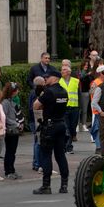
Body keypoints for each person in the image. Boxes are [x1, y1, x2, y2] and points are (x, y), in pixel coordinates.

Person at [32, 67, 69, 195]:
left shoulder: (48, 92)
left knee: (46, 155)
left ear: (55, 78)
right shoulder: (64, 91)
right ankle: (64, 185)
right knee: (60, 155)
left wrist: (43, 102)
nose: (46, 78)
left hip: (50, 126)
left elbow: (36, 105)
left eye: (48, 77)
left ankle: (46, 186)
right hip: (61, 124)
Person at [1, 82, 22, 180]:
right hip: (10, 130)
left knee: (12, 151)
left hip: (14, 130)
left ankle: (12, 169)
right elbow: (4, 116)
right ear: (12, 91)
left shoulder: (11, 101)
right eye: (16, 90)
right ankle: (8, 171)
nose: (18, 91)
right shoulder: (5, 102)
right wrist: (16, 123)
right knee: (10, 151)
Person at [59, 64, 80, 154]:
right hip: (64, 107)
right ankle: (68, 147)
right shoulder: (59, 81)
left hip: (74, 107)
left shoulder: (76, 81)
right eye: (62, 70)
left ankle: (68, 144)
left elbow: (79, 93)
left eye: (64, 70)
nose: (62, 71)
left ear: (68, 72)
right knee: (66, 127)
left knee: (72, 128)